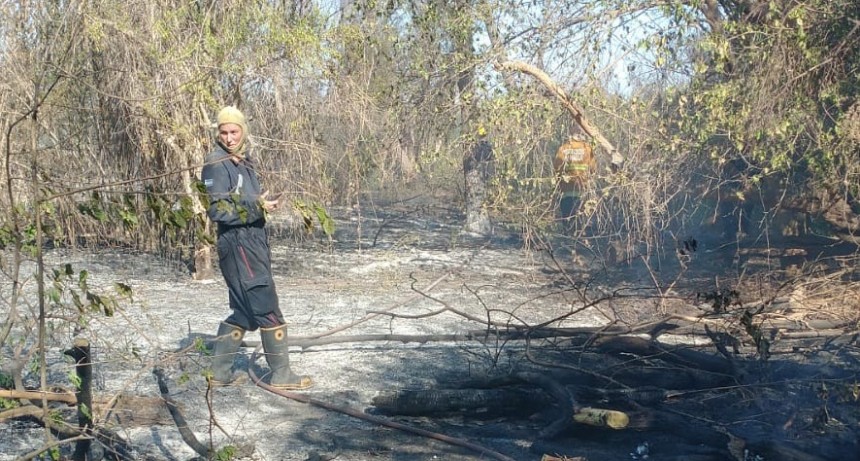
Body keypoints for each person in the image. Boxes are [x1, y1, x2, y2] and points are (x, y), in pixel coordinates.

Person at [201, 105, 312, 390]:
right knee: (268, 309)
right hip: (237, 245)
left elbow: (248, 203)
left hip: (253, 243)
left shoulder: (244, 161)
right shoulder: (215, 164)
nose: (228, 137)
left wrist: (263, 206)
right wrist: (257, 206)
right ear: (218, 133)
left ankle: (219, 373)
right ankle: (281, 375)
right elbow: (217, 211)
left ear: (243, 132)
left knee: (244, 312)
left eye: (234, 131)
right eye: (223, 132)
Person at [552, 133, 595, 230]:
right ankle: (579, 236)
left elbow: (557, 168)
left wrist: (559, 184)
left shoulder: (563, 149)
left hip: (566, 191)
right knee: (580, 217)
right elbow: (592, 169)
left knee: (567, 218)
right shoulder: (587, 149)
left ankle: (567, 235)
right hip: (581, 191)